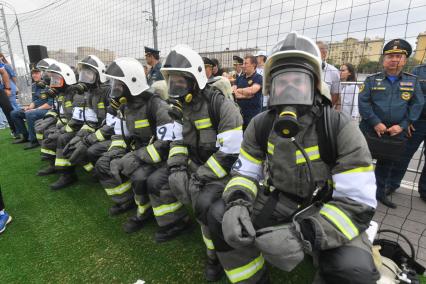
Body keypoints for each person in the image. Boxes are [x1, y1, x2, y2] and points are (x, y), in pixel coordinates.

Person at [207, 31, 380, 284]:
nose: (289, 88)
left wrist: (305, 234)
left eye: (298, 81)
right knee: (220, 215)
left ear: (314, 84)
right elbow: (244, 173)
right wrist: (237, 202)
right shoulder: (260, 125)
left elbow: (357, 203)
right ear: (271, 87)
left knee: (353, 270)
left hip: (328, 209)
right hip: (280, 200)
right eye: (282, 82)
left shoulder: (339, 126)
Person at [160, 44, 243, 281]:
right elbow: (176, 140)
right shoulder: (180, 108)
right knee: (166, 181)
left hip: (222, 172)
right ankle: (189, 232)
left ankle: (214, 256)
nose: (175, 86)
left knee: (206, 205)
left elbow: (230, 155)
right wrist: (176, 166)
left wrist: (199, 176)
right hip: (196, 167)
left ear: (195, 79)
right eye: (172, 81)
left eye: (180, 81)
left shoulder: (222, 107)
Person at [358, 38, 424, 208]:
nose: (394, 59)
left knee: (386, 165)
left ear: (405, 60)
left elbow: (417, 104)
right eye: (391, 56)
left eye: (399, 56)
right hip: (371, 130)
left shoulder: (413, 81)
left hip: (395, 132)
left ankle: (379, 194)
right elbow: (363, 102)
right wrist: (375, 122)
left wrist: (402, 125)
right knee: (361, 161)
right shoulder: (372, 80)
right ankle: (358, 193)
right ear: (384, 59)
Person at [50, 55, 109, 190]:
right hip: (92, 128)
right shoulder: (89, 93)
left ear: (99, 74)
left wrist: (86, 138)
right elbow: (89, 119)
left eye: (88, 73)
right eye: (83, 73)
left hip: (105, 131)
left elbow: (112, 122)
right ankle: (67, 174)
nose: (85, 77)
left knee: (81, 146)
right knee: (65, 139)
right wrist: (79, 134)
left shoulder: (108, 92)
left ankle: (95, 171)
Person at [383, 62, 426, 201]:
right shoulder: (418, 71)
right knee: (403, 154)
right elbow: (409, 98)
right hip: (417, 122)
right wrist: (408, 120)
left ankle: (425, 190)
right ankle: (391, 183)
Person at [36, 62, 77, 178]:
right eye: (53, 80)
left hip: (74, 126)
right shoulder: (61, 93)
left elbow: (78, 118)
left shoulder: (75, 94)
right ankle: (53, 164)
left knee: (58, 137)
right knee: (47, 131)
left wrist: (63, 127)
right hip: (64, 122)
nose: (54, 84)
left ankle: (68, 174)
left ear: (66, 78)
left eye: (56, 80)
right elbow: (59, 111)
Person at [10, 67, 53, 149]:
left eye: (36, 73)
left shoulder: (49, 85)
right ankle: (25, 136)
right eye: (33, 73)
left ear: (41, 74)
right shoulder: (34, 86)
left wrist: (35, 109)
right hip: (36, 109)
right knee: (14, 113)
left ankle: (34, 140)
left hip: (47, 110)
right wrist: (29, 107)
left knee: (29, 114)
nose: (34, 75)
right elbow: (34, 100)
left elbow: (50, 103)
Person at [232, 55, 263, 129]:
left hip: (253, 117)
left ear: (253, 65)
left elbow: (252, 91)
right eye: (243, 64)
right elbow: (232, 92)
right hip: (239, 116)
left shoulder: (258, 78)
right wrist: (246, 95)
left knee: (251, 139)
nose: (243, 66)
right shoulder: (239, 78)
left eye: (246, 63)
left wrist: (239, 91)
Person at [317, 41, 341, 109]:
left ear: (325, 53)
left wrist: (325, 110)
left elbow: (335, 95)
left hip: (323, 111)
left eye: (318, 50)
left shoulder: (334, 71)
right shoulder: (306, 68)